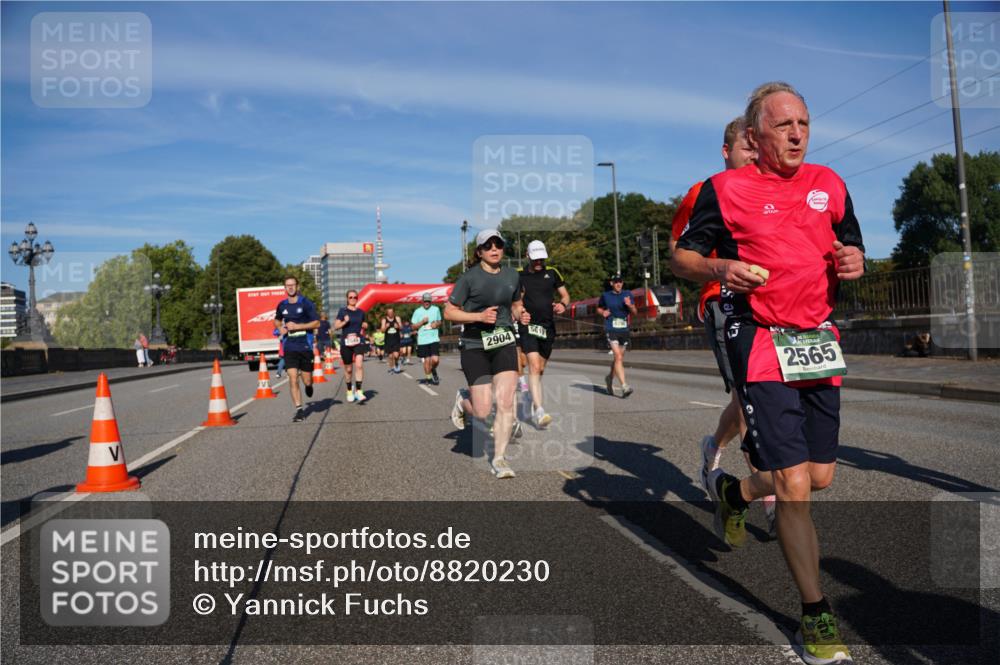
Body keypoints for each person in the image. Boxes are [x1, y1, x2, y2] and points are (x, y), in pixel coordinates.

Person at [671, 81, 865, 665]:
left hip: (818, 340)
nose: (797, 133)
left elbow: (849, 243)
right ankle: (815, 616)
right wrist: (718, 263)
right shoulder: (722, 189)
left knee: (821, 474)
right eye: (783, 125)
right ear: (754, 137)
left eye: (803, 122)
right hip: (760, 339)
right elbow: (681, 255)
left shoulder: (829, 183)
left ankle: (733, 491)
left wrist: (855, 259)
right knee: (795, 484)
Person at [670, 116, 777, 533]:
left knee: (746, 400)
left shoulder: (777, 187)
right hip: (725, 303)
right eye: (746, 148)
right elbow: (679, 252)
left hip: (776, 306)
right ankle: (771, 499)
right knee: (753, 397)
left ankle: (714, 445)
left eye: (758, 147)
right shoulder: (704, 191)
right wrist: (719, 269)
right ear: (726, 151)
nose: (754, 155)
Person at [445, 229, 527, 480]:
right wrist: (478, 317)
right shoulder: (469, 279)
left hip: (503, 340)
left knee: (504, 402)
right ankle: (463, 400)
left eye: (498, 244)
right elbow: (449, 312)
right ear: (479, 251)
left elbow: (515, 304)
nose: (494, 249)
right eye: (488, 245)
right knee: (482, 411)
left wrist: (520, 314)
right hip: (474, 344)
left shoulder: (513, 275)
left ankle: (499, 458)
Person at [517, 240, 570, 428]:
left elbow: (565, 295)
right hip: (528, 326)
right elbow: (515, 301)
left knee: (540, 369)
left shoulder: (552, 273)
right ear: (527, 256)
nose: (539, 262)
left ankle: (531, 398)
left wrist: (562, 305)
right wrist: (520, 311)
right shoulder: (519, 276)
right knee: (532, 365)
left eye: (541, 258)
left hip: (547, 327)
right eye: (535, 259)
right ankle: (539, 410)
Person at [273, 276, 321, 422]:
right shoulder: (282, 305)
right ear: (284, 288)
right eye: (288, 286)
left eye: (293, 285)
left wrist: (298, 326)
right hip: (290, 346)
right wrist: (280, 327)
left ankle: (309, 386)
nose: (291, 288)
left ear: (297, 286)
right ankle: (299, 410)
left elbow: (317, 323)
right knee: (293, 378)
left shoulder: (305, 303)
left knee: (306, 380)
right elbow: (277, 319)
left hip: (305, 346)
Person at [597, 275, 637, 397]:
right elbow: (599, 308)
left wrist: (630, 305)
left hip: (624, 328)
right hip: (611, 327)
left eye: (620, 282)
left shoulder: (628, 294)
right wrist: (602, 312)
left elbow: (635, 312)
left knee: (618, 359)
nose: (618, 284)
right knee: (618, 356)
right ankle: (624, 386)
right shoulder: (606, 295)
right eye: (616, 282)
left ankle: (609, 378)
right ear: (611, 283)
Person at [334, 289, 367, 403]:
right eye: (350, 297)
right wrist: (344, 322)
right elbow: (336, 326)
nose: (353, 299)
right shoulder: (342, 311)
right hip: (346, 343)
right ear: (347, 299)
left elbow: (363, 324)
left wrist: (365, 325)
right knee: (348, 369)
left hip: (358, 341)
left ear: (357, 299)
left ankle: (359, 390)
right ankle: (349, 390)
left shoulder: (361, 312)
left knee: (359, 365)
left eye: (355, 297)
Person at [412, 292, 442, 385]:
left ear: (431, 301)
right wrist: (422, 322)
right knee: (427, 360)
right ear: (422, 301)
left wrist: (436, 324)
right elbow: (413, 327)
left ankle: (433, 369)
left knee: (435, 360)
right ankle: (428, 378)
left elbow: (439, 321)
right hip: (423, 340)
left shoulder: (436, 309)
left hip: (434, 339)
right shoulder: (417, 311)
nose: (427, 302)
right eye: (425, 301)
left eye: (428, 301)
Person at [381, 307, 403, 374]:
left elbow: (401, 327)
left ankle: (396, 363)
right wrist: (386, 327)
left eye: (391, 312)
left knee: (396, 355)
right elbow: (382, 331)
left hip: (396, 339)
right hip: (388, 340)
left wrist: (398, 326)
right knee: (390, 356)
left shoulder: (397, 318)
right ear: (387, 313)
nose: (390, 314)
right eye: (389, 312)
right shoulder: (384, 320)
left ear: (393, 312)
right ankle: (392, 368)